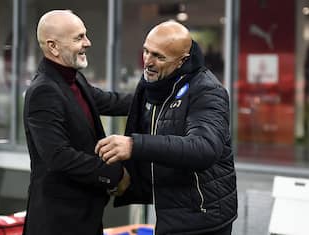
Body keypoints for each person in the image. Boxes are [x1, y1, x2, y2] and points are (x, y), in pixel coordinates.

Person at [95, 21, 237, 235]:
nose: (148, 62)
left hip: (203, 217)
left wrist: (134, 145)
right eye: (146, 51)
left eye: (159, 57)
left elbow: (204, 147)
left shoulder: (208, 91)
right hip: (171, 210)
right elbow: (123, 102)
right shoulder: (157, 84)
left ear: (182, 61)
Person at [22, 10, 132, 235]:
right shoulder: (43, 91)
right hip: (59, 222)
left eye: (86, 35)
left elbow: (110, 101)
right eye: (79, 38)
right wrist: (115, 174)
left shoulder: (73, 78)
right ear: (53, 46)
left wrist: (157, 96)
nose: (88, 43)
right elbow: (59, 157)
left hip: (85, 216)